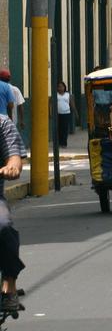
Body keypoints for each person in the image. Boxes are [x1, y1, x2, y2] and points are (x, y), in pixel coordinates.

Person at [0, 115, 25, 313]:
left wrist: (12, 167)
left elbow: (14, 156)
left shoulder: (2, 123)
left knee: (4, 226)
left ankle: (10, 286)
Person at [54, 81, 73, 148]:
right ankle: (59, 143)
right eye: (59, 87)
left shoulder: (68, 95)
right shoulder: (55, 95)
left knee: (65, 129)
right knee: (59, 129)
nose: (60, 88)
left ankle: (64, 143)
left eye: (62, 86)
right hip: (58, 114)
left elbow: (72, 104)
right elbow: (50, 103)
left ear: (64, 87)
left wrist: (76, 113)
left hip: (66, 113)